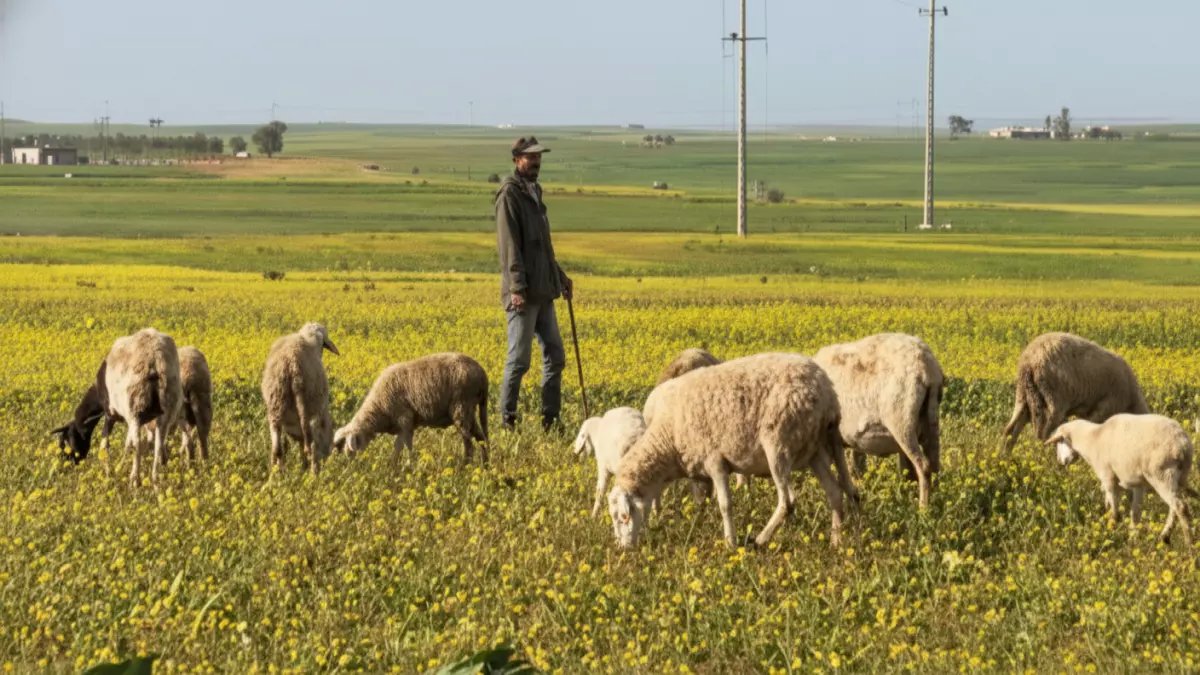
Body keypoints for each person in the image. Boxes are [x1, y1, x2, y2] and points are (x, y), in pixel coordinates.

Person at [495, 136, 573, 431]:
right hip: (524, 294)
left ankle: (550, 422)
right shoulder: (510, 195)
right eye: (530, 157)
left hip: (544, 290)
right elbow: (509, 246)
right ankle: (507, 421)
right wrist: (516, 288)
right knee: (519, 360)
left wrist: (559, 276)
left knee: (556, 356)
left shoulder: (535, 191)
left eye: (539, 157)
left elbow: (543, 246)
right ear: (517, 159)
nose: (536, 162)